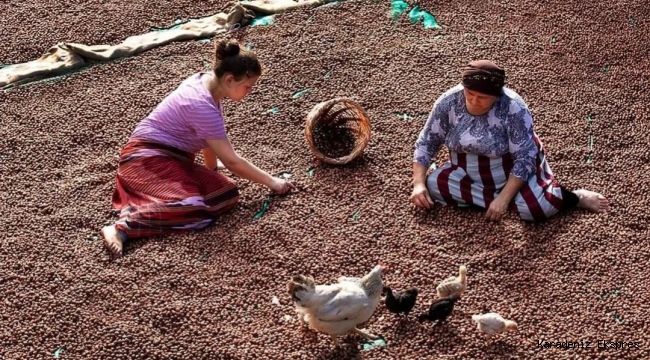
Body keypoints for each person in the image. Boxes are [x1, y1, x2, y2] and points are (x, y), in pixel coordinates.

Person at [101, 38, 295, 257]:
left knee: (227, 192)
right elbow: (232, 161)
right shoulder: (202, 105)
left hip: (175, 159)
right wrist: (273, 183)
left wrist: (212, 170)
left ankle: (166, 203)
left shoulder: (206, 82)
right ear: (230, 79)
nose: (249, 92)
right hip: (144, 160)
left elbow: (206, 138)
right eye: (248, 86)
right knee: (194, 206)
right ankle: (124, 227)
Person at [410, 60, 609, 222]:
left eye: (482, 97)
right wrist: (418, 184)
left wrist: (503, 199)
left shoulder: (513, 108)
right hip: (467, 168)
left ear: (496, 97)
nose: (474, 100)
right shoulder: (448, 102)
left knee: (538, 209)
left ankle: (573, 198)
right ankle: (501, 203)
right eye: (469, 93)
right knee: (433, 186)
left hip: (508, 167)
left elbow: (524, 158)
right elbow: (427, 142)